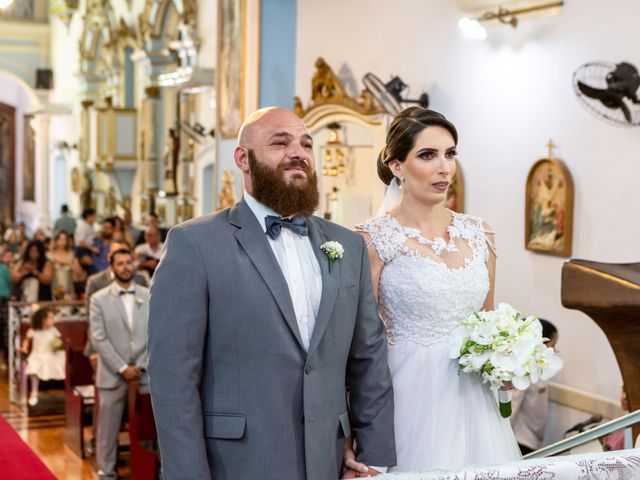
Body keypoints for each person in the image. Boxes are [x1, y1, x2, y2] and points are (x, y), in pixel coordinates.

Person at [147, 107, 396, 480]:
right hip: (236, 464)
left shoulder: (347, 245)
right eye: (280, 142)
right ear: (243, 159)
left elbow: (368, 357)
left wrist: (373, 456)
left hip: (329, 461)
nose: (298, 152)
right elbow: (173, 378)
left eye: (306, 143)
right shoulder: (195, 244)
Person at [356, 107, 521, 471]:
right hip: (406, 397)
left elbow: (488, 323)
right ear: (397, 166)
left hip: (474, 402)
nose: (444, 167)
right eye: (427, 155)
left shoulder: (481, 234)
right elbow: (358, 342)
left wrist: (508, 359)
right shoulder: (371, 239)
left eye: (450, 154)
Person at [90, 248, 150, 480]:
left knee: (148, 425)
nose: (125, 266)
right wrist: (123, 368)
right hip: (113, 373)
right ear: (112, 267)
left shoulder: (148, 294)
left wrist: (141, 365)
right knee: (107, 428)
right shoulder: (99, 299)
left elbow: (156, 333)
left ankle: (147, 468)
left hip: (144, 373)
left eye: (128, 262)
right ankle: (106, 471)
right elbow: (98, 337)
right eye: (120, 263)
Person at [510, 319, 558, 455]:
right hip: (519, 440)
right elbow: (512, 407)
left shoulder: (538, 369)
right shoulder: (522, 371)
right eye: (552, 346)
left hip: (532, 439)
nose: (553, 352)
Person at [20, 307, 65, 406]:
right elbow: (26, 340)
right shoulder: (34, 331)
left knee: (61, 363)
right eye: (51, 318)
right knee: (34, 366)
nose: (53, 321)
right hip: (38, 353)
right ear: (43, 320)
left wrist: (58, 345)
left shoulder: (53, 330)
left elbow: (59, 341)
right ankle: (34, 392)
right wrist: (24, 348)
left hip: (52, 354)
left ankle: (69, 390)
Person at [48, 230, 85, 300]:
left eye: (65, 239)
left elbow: (81, 275)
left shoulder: (71, 255)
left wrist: (73, 266)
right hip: (54, 287)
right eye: (60, 239)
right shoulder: (50, 255)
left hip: (68, 287)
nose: (62, 241)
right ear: (56, 240)